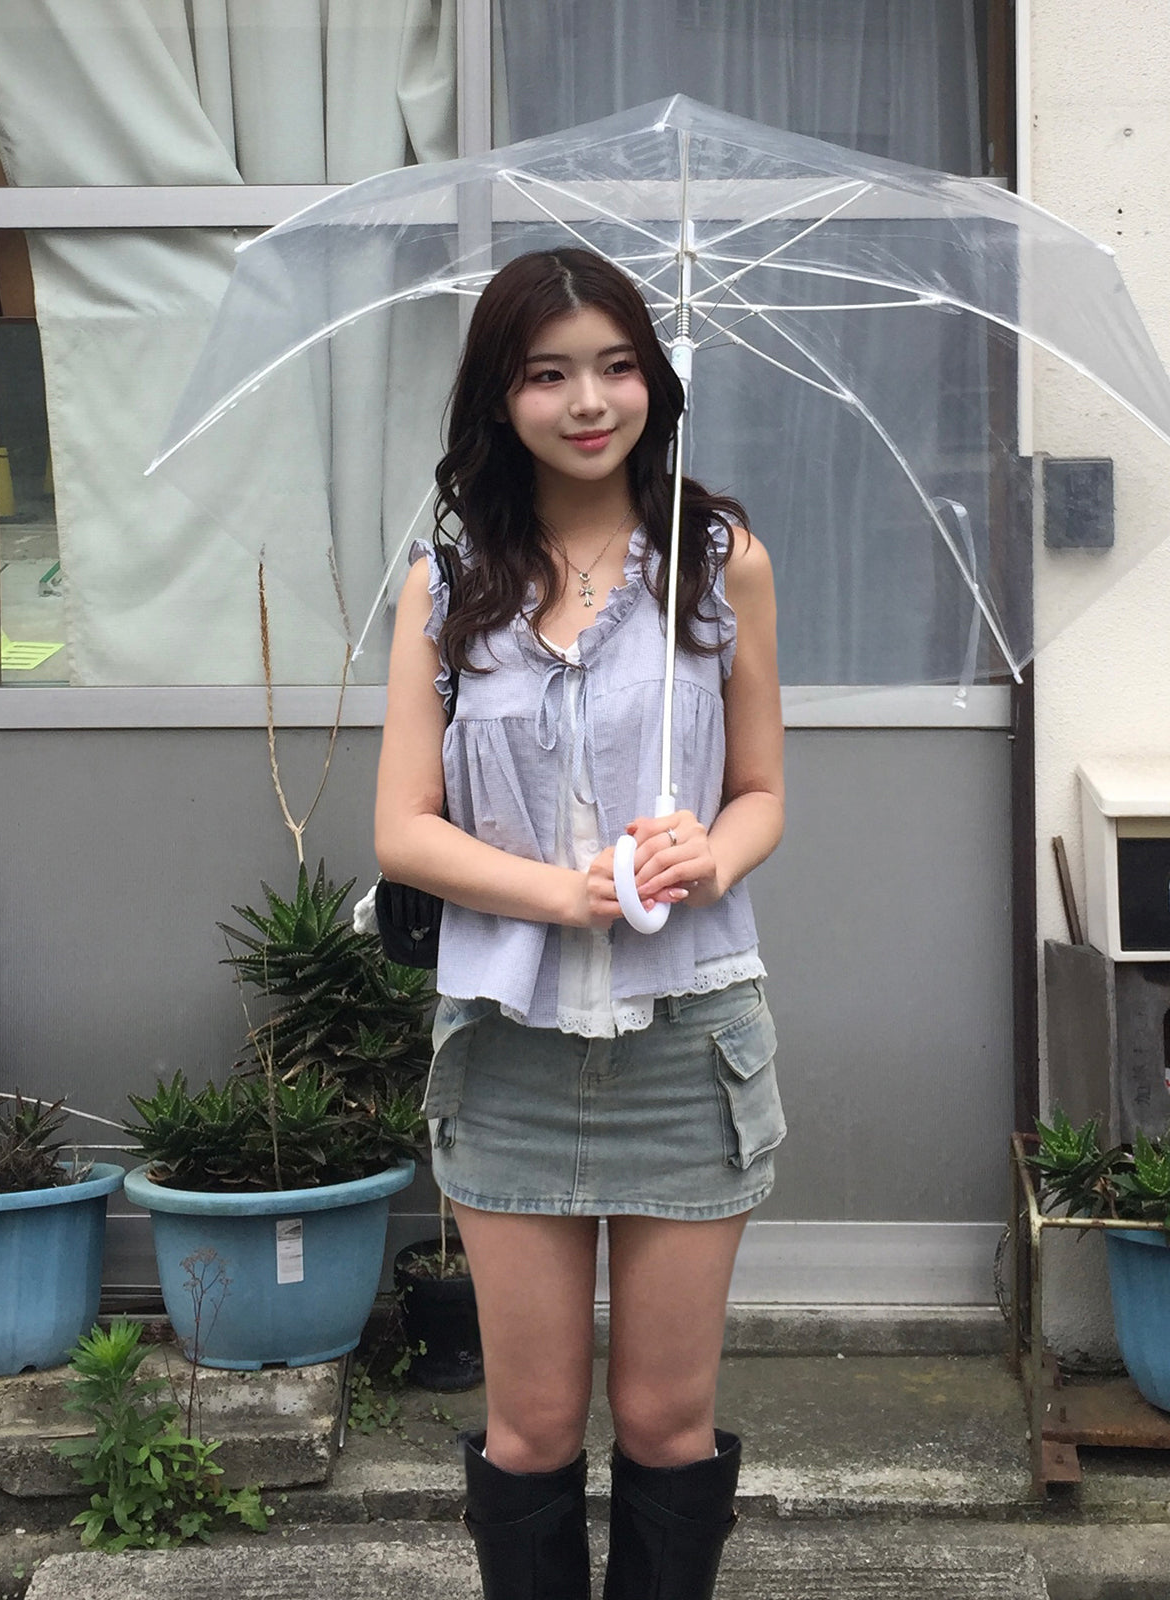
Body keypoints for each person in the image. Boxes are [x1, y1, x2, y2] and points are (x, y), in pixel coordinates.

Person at [375, 246, 785, 1600]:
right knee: (534, 1427)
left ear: (655, 381)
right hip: (511, 1045)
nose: (589, 401)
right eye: (548, 374)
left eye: (616, 366)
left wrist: (708, 853)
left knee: (666, 1422)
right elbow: (404, 830)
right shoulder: (447, 586)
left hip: (688, 1039)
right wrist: (564, 893)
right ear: (501, 400)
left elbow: (763, 793)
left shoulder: (719, 566)